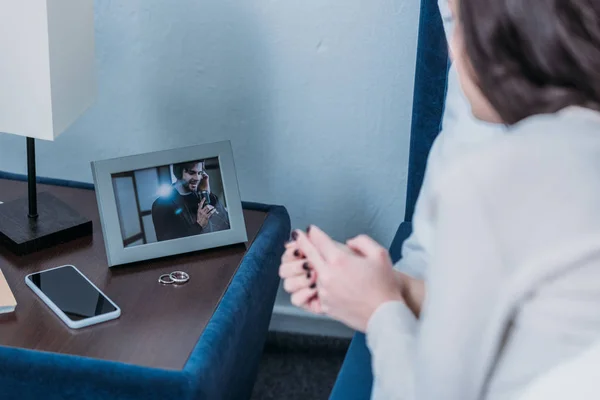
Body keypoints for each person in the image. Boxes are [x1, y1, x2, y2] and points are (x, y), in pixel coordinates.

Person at [280, 0, 600, 399]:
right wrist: (380, 286)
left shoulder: (495, 178)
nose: (449, 50)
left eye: (457, 21)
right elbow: (538, 322)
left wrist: (380, 311)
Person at [151, 160, 230, 242]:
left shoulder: (200, 194)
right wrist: (199, 225)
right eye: (191, 173)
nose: (197, 178)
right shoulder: (161, 205)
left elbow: (226, 223)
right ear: (179, 172)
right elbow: (169, 246)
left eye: (200, 173)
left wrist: (207, 194)